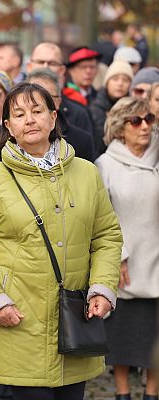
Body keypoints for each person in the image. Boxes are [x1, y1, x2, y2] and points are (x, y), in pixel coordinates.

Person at [0, 82, 122, 400]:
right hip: (18, 318)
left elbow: (106, 235)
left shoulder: (86, 173)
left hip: (76, 320)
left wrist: (102, 286)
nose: (29, 119)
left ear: (53, 117)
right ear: (8, 127)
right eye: (18, 114)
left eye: (37, 111)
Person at [96, 97, 159, 400]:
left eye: (148, 118)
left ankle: (151, 394)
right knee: (123, 336)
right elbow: (101, 216)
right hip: (124, 261)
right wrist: (116, 259)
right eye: (136, 121)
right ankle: (122, 394)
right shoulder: (106, 164)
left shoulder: (158, 155)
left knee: (155, 336)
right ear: (121, 128)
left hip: (157, 258)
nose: (145, 125)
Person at [28, 68, 96, 161]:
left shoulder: (81, 140)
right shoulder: (6, 137)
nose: (38, 103)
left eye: (46, 97)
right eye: (32, 97)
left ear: (58, 102)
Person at [27, 42, 94, 135]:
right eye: (40, 62)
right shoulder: (12, 105)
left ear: (62, 70)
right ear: (29, 67)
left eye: (52, 63)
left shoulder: (79, 114)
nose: (45, 67)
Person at [89, 61, 133, 155]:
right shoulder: (96, 109)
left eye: (125, 80)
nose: (120, 84)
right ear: (107, 82)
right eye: (115, 79)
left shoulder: (134, 109)